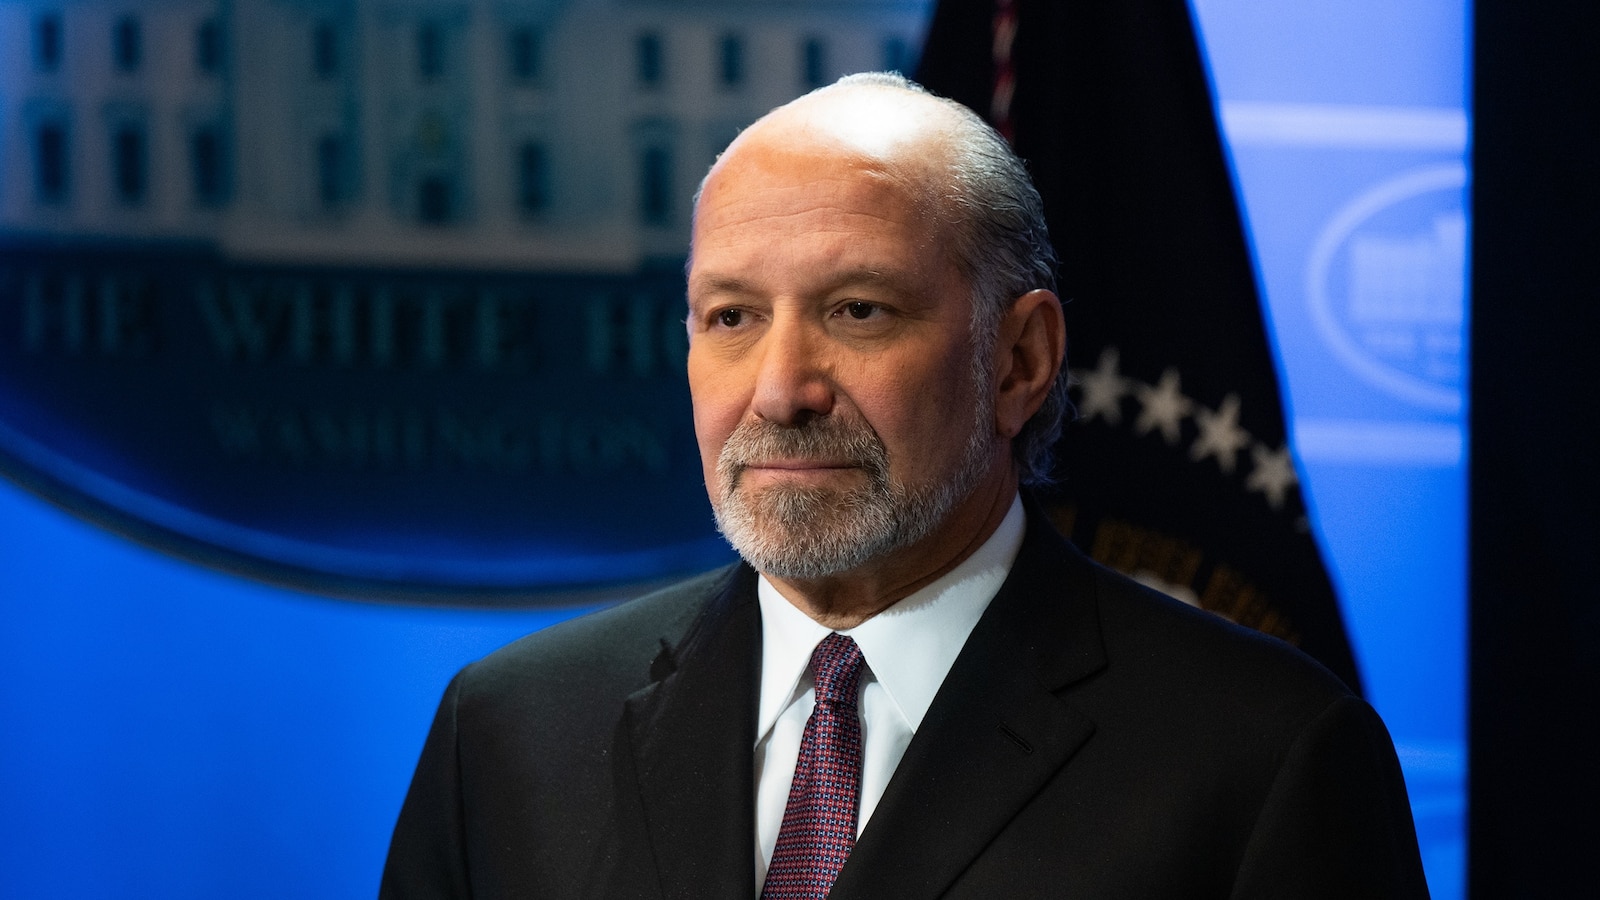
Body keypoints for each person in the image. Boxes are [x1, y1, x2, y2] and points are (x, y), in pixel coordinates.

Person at [380, 73, 1429, 899]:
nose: (780, 391)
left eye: (859, 311)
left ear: (1017, 361)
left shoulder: (1263, 757)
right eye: (732, 317)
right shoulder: (509, 733)